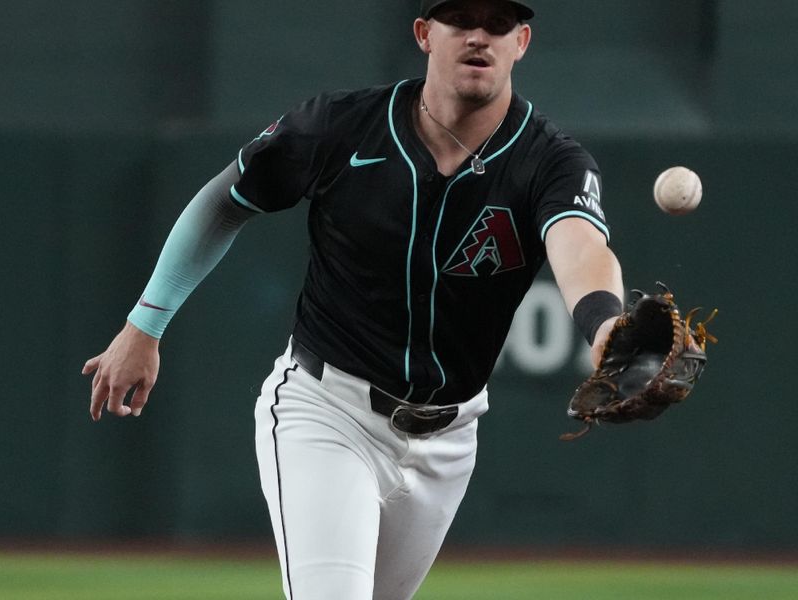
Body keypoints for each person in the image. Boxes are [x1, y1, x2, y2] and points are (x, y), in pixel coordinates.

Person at [83, 0, 625, 598]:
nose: (479, 35)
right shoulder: (340, 126)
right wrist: (144, 323)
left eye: (498, 23)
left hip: (448, 438)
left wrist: (607, 328)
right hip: (328, 411)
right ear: (424, 33)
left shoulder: (550, 160)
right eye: (460, 18)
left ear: (521, 41)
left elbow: (581, 249)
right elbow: (224, 201)